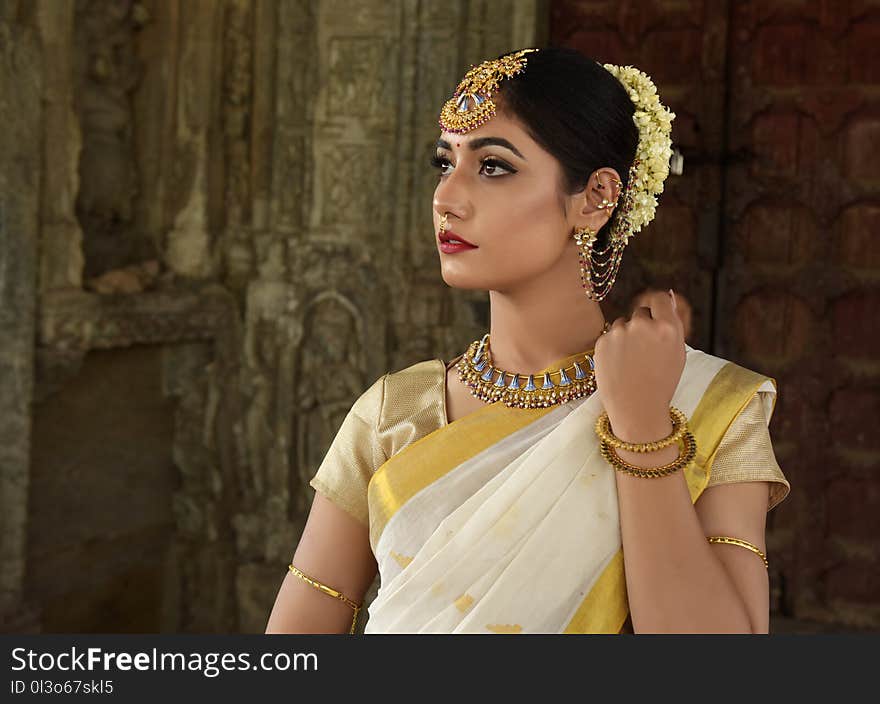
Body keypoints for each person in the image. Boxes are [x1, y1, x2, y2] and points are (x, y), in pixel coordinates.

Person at [265, 46, 790, 634]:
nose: (446, 197)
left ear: (596, 197)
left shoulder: (709, 407)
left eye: (493, 166)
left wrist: (643, 431)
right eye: (445, 164)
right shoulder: (395, 415)